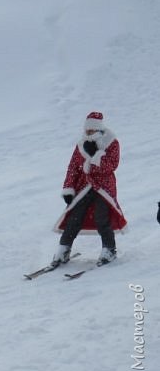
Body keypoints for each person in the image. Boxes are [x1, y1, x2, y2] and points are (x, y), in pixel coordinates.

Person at [51, 112, 127, 267]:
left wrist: (96, 155)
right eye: (87, 130)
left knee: (101, 218)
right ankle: (63, 250)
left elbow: (112, 165)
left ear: (98, 130)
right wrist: (68, 188)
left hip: (104, 187)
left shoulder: (111, 143)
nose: (88, 133)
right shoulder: (81, 145)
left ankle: (109, 249)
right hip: (83, 187)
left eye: (91, 131)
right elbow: (73, 168)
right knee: (74, 218)